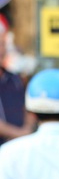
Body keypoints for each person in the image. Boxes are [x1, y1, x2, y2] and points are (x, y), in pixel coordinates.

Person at [0, 14, 30, 146]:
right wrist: (19, 134)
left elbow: (28, 108)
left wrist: (26, 130)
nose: (1, 50)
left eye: (2, 44)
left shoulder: (15, 79)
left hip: (17, 150)